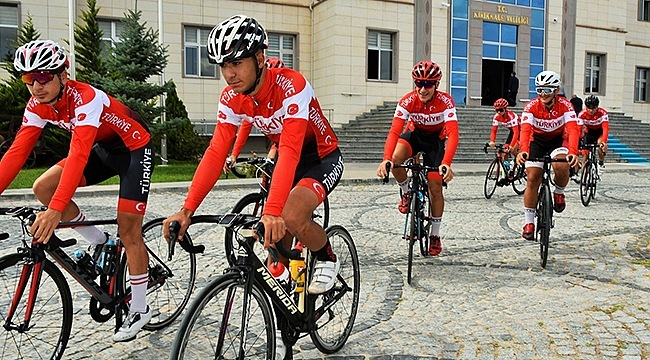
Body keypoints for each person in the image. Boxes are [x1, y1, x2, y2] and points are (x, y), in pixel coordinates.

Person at [161, 15, 343, 359]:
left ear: (261, 57)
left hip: (320, 156)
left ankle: (325, 255)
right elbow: (216, 151)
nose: (229, 73)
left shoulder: (292, 85)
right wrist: (187, 210)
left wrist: (274, 212)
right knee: (273, 232)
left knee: (289, 215)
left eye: (237, 62)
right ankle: (290, 302)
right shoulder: (232, 97)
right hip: (288, 156)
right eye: (222, 65)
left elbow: (290, 149)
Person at [0, 40, 153, 341]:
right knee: (42, 187)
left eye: (44, 76)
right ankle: (101, 241)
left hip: (134, 149)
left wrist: (57, 210)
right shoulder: (38, 105)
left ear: (63, 75)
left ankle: (139, 307)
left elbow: (79, 153)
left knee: (130, 231)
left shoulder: (86, 98)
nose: (37, 86)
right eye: (29, 79)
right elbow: (17, 153)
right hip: (105, 148)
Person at [376, 60, 458, 256]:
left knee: (435, 188)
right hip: (414, 135)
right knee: (396, 160)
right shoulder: (407, 100)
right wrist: (386, 158)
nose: (422, 89)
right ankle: (406, 192)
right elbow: (395, 131)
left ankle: (435, 236)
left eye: (428, 84)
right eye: (418, 83)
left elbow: (453, 133)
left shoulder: (445, 101)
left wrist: (446, 163)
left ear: (436, 85)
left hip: (435, 142)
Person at [515, 70, 580, 240]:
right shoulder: (531, 106)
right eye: (539, 90)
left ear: (556, 91)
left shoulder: (566, 105)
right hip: (537, 141)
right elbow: (525, 130)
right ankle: (529, 222)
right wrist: (523, 150)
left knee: (561, 164)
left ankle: (559, 192)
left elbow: (573, 129)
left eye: (547, 90)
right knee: (533, 178)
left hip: (557, 140)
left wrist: (573, 151)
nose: (543, 94)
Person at [223, 56, 286, 172]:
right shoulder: (254, 102)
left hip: (296, 144)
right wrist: (234, 155)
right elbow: (245, 127)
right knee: (268, 170)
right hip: (277, 142)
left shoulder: (287, 99)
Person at [488, 98, 520, 171]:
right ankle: (506, 172)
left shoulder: (512, 116)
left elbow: (516, 132)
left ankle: (521, 160)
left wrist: (511, 146)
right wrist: (492, 141)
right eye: (497, 110)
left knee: (512, 150)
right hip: (512, 132)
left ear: (505, 109)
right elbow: (494, 131)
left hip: (520, 131)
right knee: (504, 153)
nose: (499, 112)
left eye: (501, 110)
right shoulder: (496, 117)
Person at [578, 95, 608, 167]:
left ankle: (601, 163)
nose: (591, 110)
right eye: (588, 108)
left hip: (599, 132)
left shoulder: (603, 113)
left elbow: (605, 128)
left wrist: (604, 141)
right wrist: (578, 140)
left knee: (600, 146)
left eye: (593, 108)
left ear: (597, 107)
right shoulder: (582, 114)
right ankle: (584, 173)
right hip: (589, 133)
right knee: (585, 154)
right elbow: (578, 129)